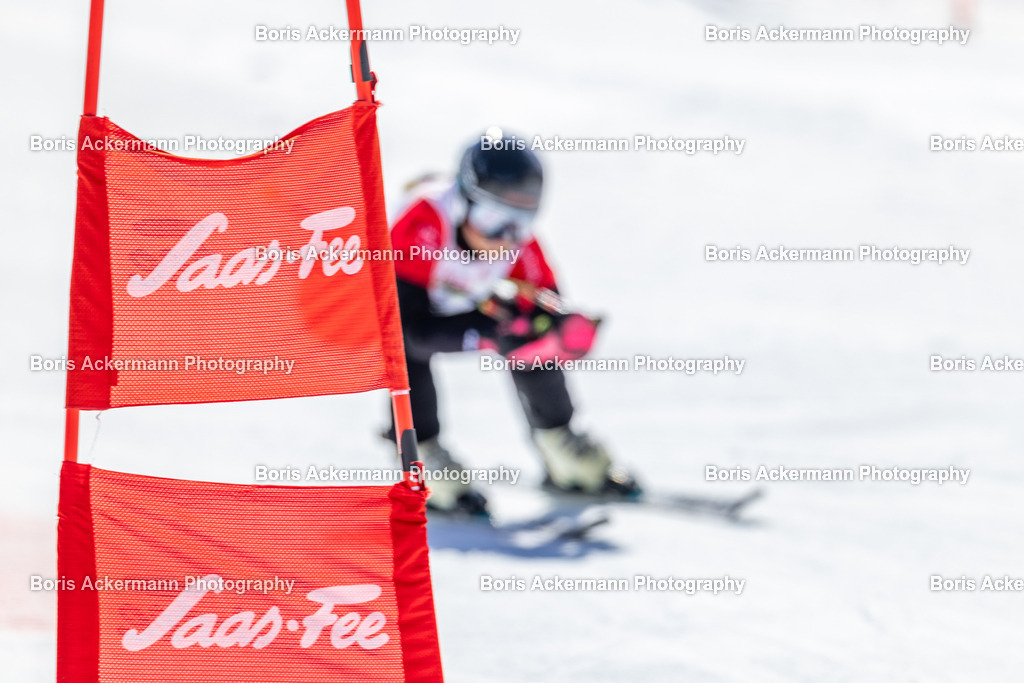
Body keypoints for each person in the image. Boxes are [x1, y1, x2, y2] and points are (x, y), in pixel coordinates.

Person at [387, 130, 640, 515]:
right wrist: (491, 335)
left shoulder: (521, 247)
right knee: (406, 354)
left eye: (520, 222)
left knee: (530, 333)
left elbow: (548, 309)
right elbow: (408, 330)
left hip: (464, 304)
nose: (507, 237)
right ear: (464, 202)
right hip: (401, 309)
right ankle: (421, 455)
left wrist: (559, 329)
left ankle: (560, 445)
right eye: (494, 219)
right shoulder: (423, 222)